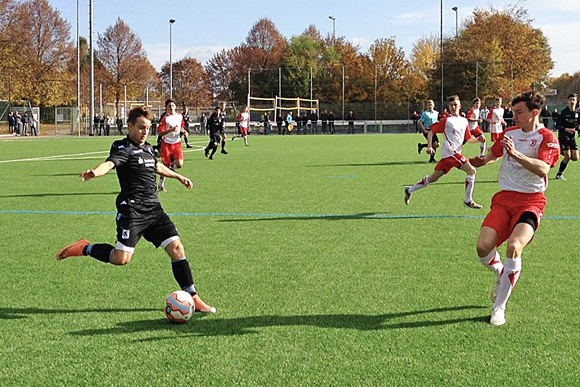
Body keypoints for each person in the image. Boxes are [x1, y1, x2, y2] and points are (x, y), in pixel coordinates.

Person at [56, 105, 216, 314]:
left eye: (147, 128)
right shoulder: (122, 148)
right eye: (140, 127)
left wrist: (178, 176)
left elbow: (156, 166)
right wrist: (95, 172)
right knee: (121, 259)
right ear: (130, 126)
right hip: (132, 211)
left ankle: (193, 296)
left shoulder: (149, 148)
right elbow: (110, 164)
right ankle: (85, 247)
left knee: (177, 249)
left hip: (154, 210)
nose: (144, 132)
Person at [469, 92, 559, 326]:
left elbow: (543, 169)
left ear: (534, 113)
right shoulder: (509, 134)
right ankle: (501, 272)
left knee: (514, 246)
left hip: (531, 201)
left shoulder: (547, 137)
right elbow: (492, 155)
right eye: (514, 112)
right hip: (503, 200)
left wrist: (516, 154)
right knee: (482, 247)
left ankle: (499, 306)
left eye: (519, 112)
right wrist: (478, 161)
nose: (514, 116)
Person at [405, 95, 482, 209]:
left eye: (455, 105)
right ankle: (468, 200)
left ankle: (409, 190)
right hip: (451, 153)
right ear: (449, 107)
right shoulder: (446, 121)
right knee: (471, 171)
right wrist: (429, 147)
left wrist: (478, 139)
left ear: (460, 106)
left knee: (432, 178)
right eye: (451, 105)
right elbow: (431, 132)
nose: (453, 107)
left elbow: (469, 138)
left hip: (451, 156)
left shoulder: (464, 121)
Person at [156, 99, 187, 192]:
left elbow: (181, 127)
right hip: (166, 144)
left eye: (173, 105)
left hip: (177, 143)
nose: (171, 107)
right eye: (169, 106)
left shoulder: (180, 116)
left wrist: (184, 131)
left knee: (180, 164)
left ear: (175, 107)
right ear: (166, 108)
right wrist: (170, 130)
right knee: (165, 166)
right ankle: (161, 185)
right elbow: (160, 132)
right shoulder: (165, 118)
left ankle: (170, 167)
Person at [554, 93, 579, 180]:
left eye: (574, 100)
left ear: (576, 101)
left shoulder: (577, 112)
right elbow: (557, 126)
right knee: (567, 156)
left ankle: (561, 150)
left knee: (575, 158)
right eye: (570, 100)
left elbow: (578, 124)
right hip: (563, 136)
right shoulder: (563, 112)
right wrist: (566, 129)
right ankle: (559, 174)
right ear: (568, 101)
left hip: (572, 137)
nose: (572, 101)